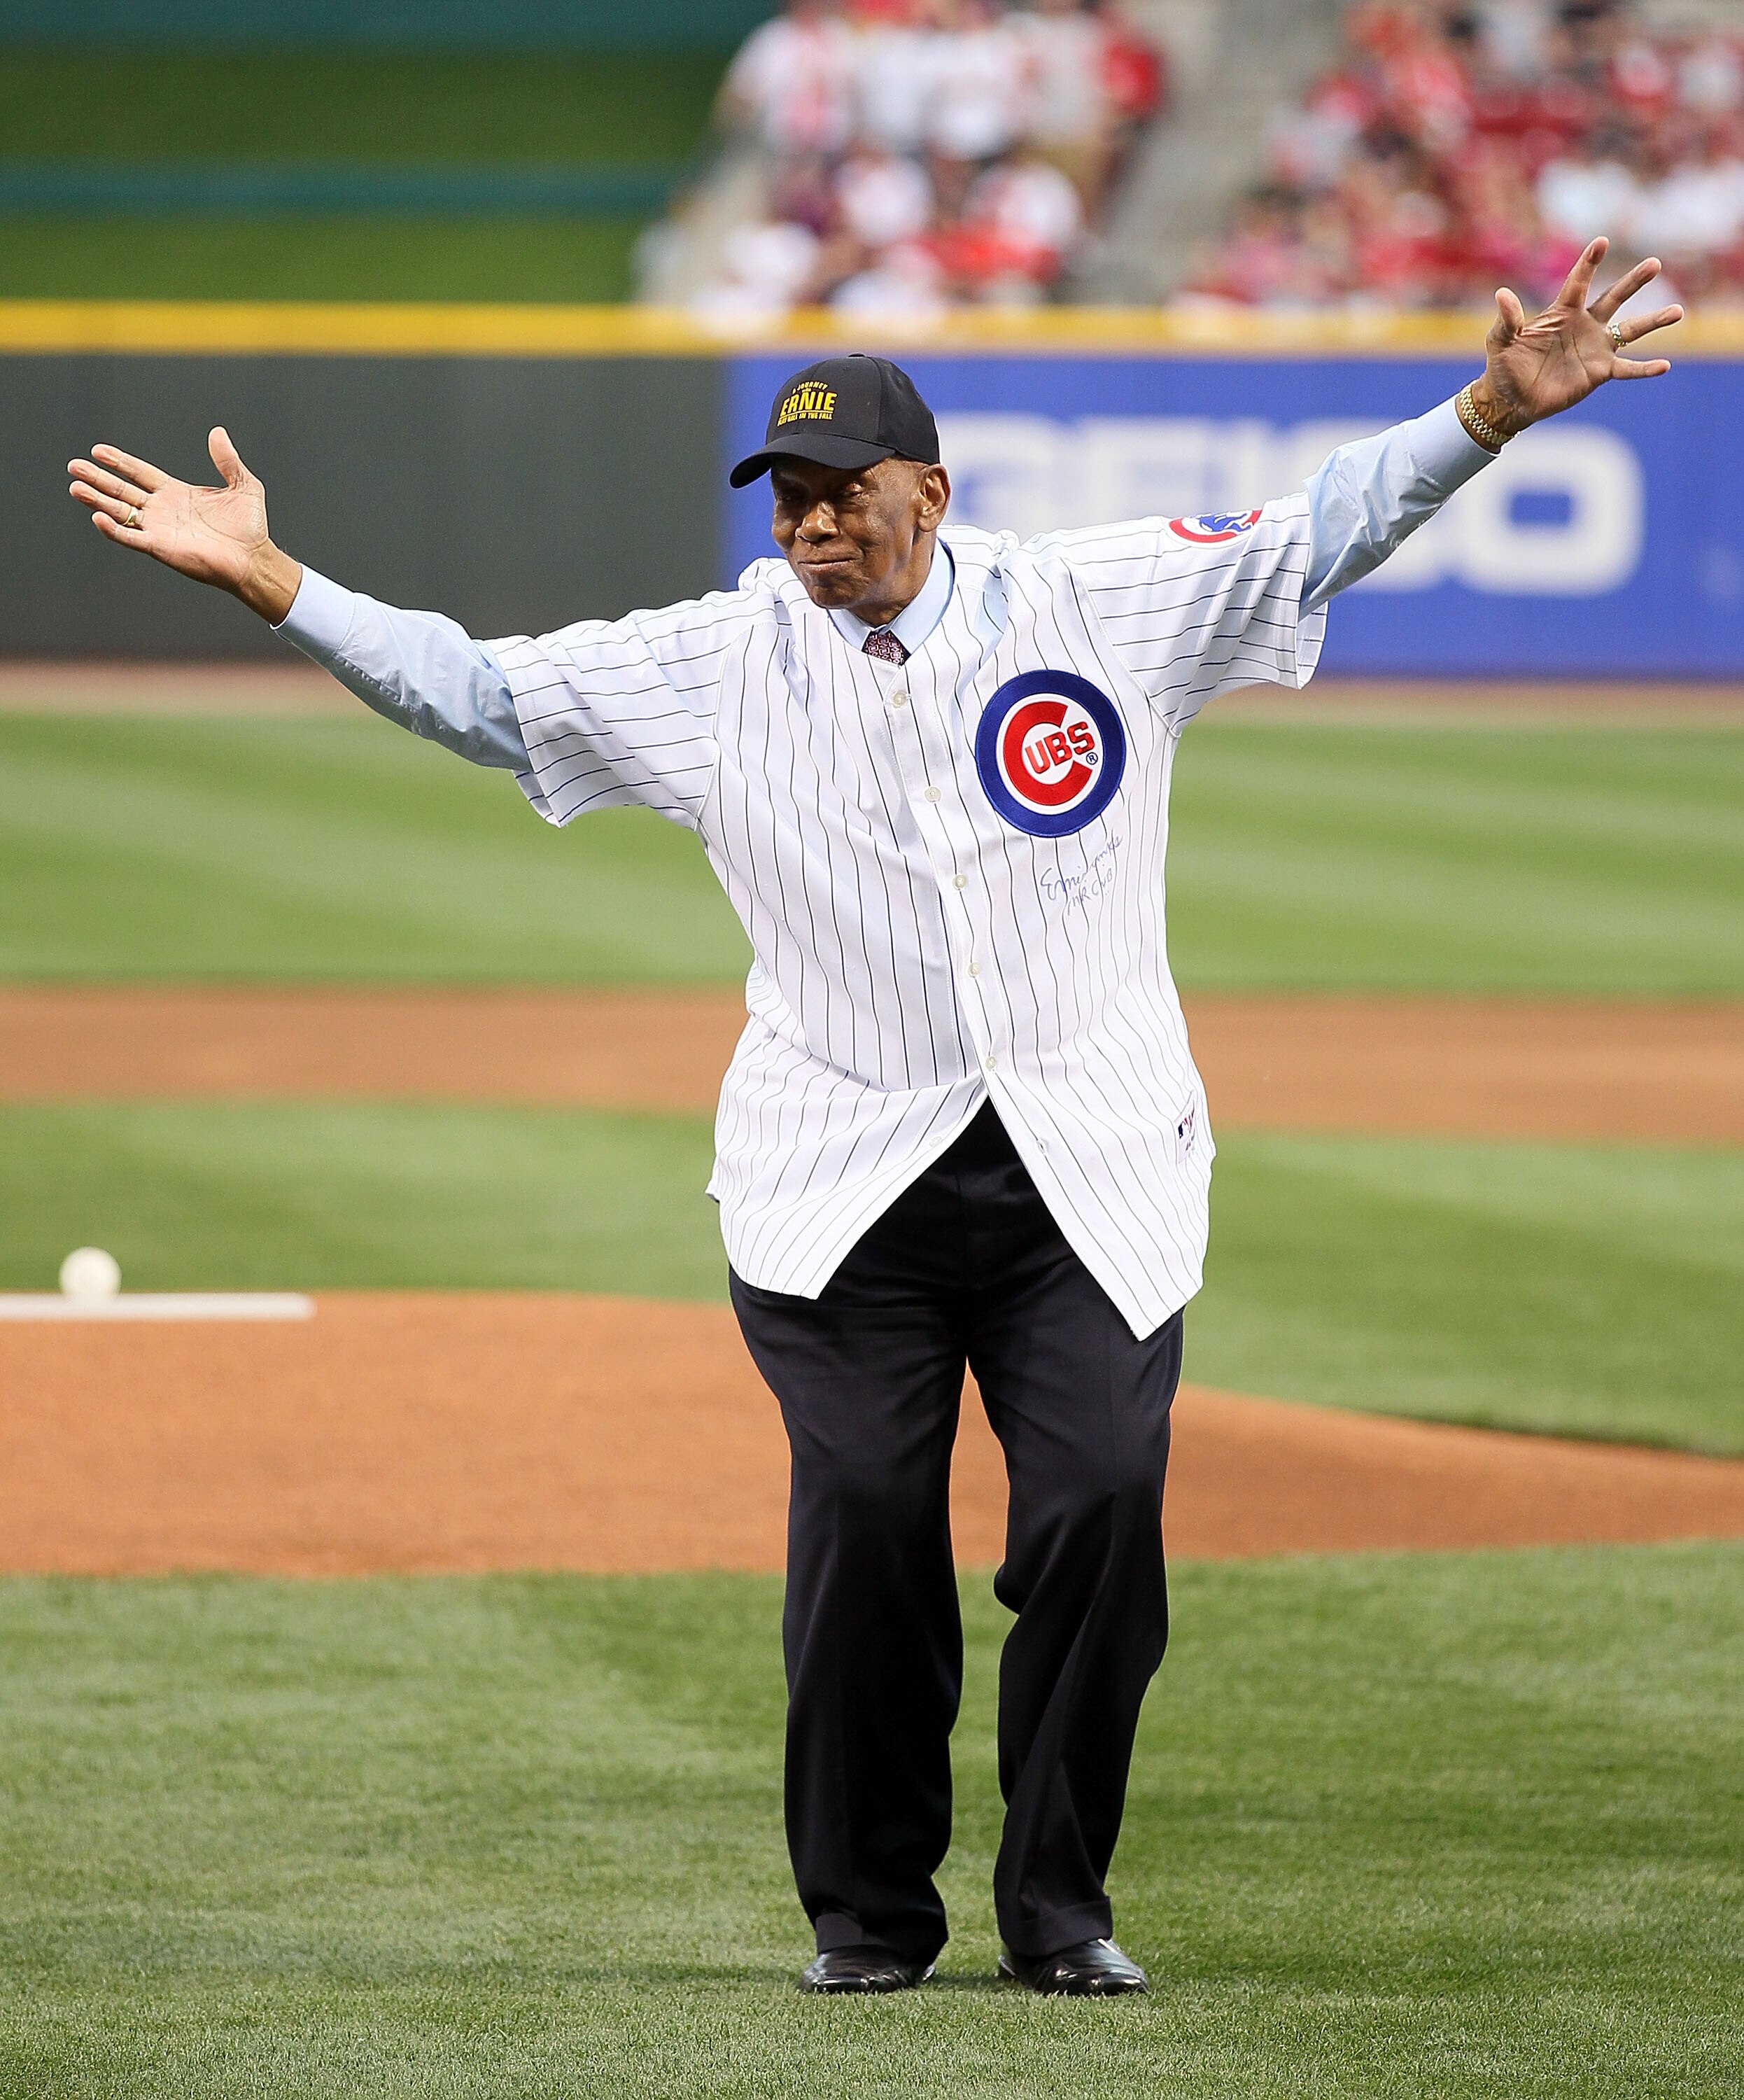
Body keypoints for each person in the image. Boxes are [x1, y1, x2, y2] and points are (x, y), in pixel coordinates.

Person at [67, 240, 1679, 1998]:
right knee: (862, 1528)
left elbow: (1320, 526)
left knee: (1100, 1508)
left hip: (1091, 1157)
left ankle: (1058, 1908)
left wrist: (1486, 416)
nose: (814, 523)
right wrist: (282, 584)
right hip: (842, 1178)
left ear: (932, 490)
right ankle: (868, 1917)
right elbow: (485, 692)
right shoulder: (716, 664)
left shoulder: (1097, 604)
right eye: (788, 496)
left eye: (846, 492)